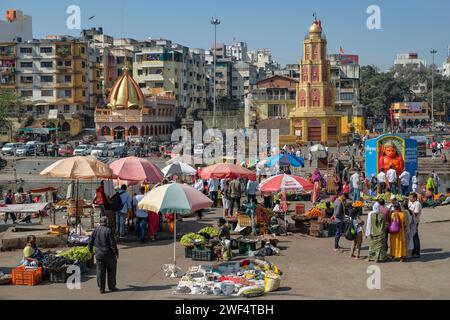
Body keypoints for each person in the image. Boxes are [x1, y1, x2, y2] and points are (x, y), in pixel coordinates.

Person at [89, 216, 119, 294]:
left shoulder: (95, 230)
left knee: (100, 272)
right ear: (107, 222)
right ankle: (112, 287)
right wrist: (116, 253)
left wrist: (90, 250)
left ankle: (101, 288)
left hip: (98, 254)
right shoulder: (109, 231)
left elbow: (90, 242)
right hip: (108, 254)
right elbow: (113, 244)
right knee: (111, 271)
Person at [408, 193, 422, 258]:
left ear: (415, 198)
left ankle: (417, 252)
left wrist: (408, 214)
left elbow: (415, 213)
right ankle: (413, 251)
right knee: (412, 237)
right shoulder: (410, 202)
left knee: (415, 237)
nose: (409, 198)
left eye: (411, 197)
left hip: (415, 222)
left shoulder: (417, 204)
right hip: (411, 222)